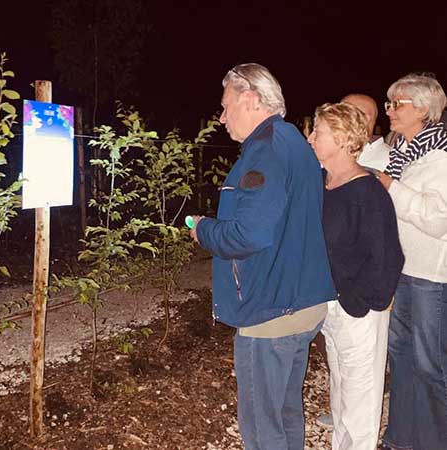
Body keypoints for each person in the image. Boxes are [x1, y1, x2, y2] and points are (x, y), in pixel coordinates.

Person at [189, 63, 336, 450]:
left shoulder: (264, 153)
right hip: (301, 302)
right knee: (286, 413)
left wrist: (202, 228)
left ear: (251, 99)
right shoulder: (293, 143)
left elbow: (247, 234)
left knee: (260, 427)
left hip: (270, 312)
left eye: (225, 106)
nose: (221, 118)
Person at [308, 102, 404, 450]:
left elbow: (388, 257)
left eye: (317, 132)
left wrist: (363, 304)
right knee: (341, 391)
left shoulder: (367, 192)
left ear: (341, 138)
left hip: (358, 310)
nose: (311, 138)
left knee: (361, 399)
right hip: (330, 303)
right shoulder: (323, 183)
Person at [376, 73, 447, 450]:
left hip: (429, 278)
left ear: (422, 108)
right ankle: (400, 439)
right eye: (388, 103)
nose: (389, 110)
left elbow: (437, 221)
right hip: (401, 272)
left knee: (430, 366)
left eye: (396, 103)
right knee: (401, 360)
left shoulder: (440, 157)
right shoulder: (399, 153)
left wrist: (391, 188)